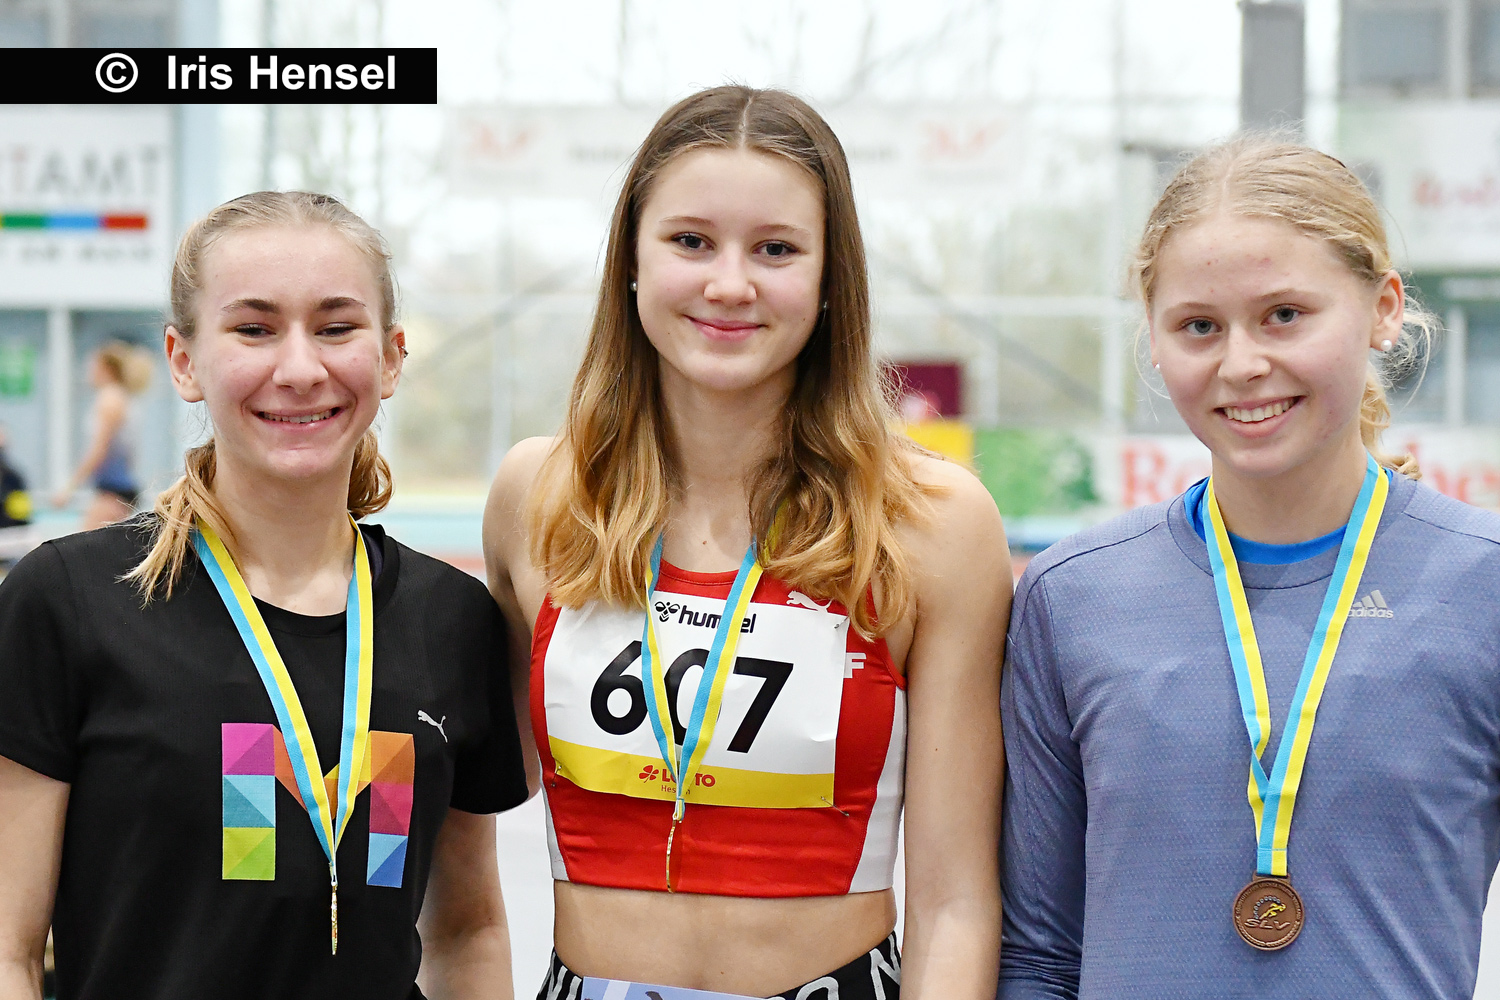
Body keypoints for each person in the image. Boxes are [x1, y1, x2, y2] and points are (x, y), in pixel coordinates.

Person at [484, 86, 1011, 1000]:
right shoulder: (540, 495)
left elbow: (956, 902)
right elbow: (467, 812)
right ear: (632, 263)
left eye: (776, 249)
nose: (730, 285)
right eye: (691, 242)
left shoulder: (932, 521)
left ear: (831, 277)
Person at [999, 135, 1500, 1000]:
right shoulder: (1072, 598)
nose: (1242, 364)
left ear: (1383, 309)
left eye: (1285, 315)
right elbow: (1038, 954)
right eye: (1199, 326)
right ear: (1155, 341)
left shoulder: (1482, 588)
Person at [0, 191, 529, 1000]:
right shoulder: (70, 601)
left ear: (391, 358)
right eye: (254, 329)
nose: (300, 369)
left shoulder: (451, 619)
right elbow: (8, 948)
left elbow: (468, 929)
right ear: (184, 360)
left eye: (336, 327)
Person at [52, 339, 151, 528]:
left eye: (92, 366)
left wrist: (69, 488)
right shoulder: (120, 396)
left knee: (87, 541)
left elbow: (99, 450)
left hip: (114, 489)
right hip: (114, 487)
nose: (88, 372)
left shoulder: (110, 400)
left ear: (105, 369)